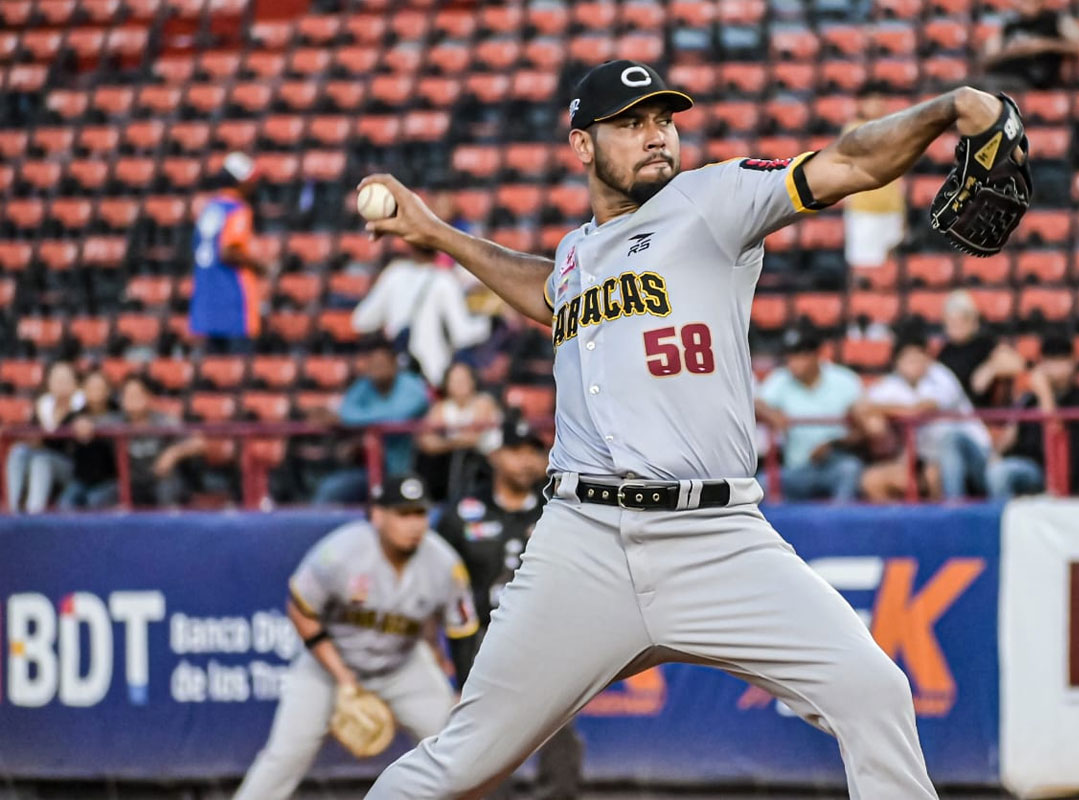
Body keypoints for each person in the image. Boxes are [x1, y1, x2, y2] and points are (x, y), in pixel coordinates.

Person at [359, 60, 1011, 799]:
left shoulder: (713, 201)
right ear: (582, 146)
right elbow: (546, 292)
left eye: (664, 119)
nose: (656, 135)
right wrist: (434, 231)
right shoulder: (578, 255)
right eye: (631, 123)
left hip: (718, 539)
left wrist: (945, 109)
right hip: (585, 542)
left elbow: (851, 162)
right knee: (460, 763)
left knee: (876, 694)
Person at [233, 475, 479, 800]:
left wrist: (462, 688)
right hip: (329, 665)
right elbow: (300, 610)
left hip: (402, 665)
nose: (414, 524)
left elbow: (461, 629)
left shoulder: (444, 564)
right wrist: (343, 677)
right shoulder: (339, 553)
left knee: (457, 750)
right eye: (402, 514)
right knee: (285, 755)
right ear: (377, 515)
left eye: (419, 514)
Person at [437, 417, 583, 800]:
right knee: (486, 731)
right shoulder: (463, 514)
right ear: (495, 455)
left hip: (547, 633)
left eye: (533, 451)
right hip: (485, 636)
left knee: (557, 724)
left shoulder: (563, 506)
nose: (525, 461)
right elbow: (439, 581)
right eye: (515, 451)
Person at [862, 330, 993, 501]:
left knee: (946, 450)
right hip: (924, 458)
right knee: (873, 480)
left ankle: (953, 512)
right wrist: (876, 423)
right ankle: (902, 525)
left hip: (973, 454)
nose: (915, 364)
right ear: (897, 362)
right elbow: (862, 407)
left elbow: (920, 410)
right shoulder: (892, 384)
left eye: (919, 357)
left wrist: (882, 409)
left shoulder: (942, 376)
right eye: (908, 359)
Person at [351, 244, 492, 387]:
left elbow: (361, 321)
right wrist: (490, 322)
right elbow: (462, 335)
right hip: (433, 374)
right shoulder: (444, 279)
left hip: (399, 374)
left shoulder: (394, 273)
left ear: (409, 246)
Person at [313, 339, 430, 505]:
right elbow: (347, 410)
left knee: (404, 506)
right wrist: (355, 420)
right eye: (373, 363)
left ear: (393, 364)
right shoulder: (364, 386)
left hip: (408, 470)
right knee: (330, 489)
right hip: (369, 470)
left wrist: (354, 420)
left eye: (382, 363)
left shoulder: (412, 385)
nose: (377, 368)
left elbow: (399, 415)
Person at [755, 328, 864, 502]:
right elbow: (756, 402)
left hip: (836, 462)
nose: (793, 362)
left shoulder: (844, 380)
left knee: (850, 469)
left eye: (800, 355)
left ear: (816, 355)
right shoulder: (780, 379)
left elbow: (862, 431)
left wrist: (833, 445)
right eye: (790, 356)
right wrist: (771, 414)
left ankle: (839, 526)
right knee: (763, 483)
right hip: (798, 467)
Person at [986, 334, 1079, 499]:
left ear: (1073, 363)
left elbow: (1057, 438)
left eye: (1061, 361)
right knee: (993, 469)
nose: (1055, 369)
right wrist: (994, 456)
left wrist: (1045, 393)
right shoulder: (1029, 399)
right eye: (1050, 362)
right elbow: (1007, 441)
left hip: (1055, 473)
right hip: (1024, 464)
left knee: (1001, 473)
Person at [188, 152, 267, 355]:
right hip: (233, 301)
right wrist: (261, 266)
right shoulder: (238, 209)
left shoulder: (210, 208)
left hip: (207, 300)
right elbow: (228, 251)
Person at [99, 376, 205, 508]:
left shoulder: (163, 421)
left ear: (148, 397)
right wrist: (82, 423)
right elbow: (88, 423)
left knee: (167, 493)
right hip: (131, 483)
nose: (131, 399)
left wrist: (173, 453)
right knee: (99, 498)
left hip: (161, 480)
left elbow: (199, 442)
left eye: (136, 394)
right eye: (127, 395)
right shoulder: (115, 422)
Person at [415, 361, 502, 502]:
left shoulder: (483, 402)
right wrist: (453, 444)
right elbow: (426, 442)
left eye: (463, 379)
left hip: (487, 462)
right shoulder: (441, 407)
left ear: (473, 381)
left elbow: (472, 439)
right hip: (455, 461)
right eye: (454, 380)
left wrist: (444, 443)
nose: (459, 384)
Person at [5, 360, 83, 513]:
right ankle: (12, 508)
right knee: (18, 451)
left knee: (42, 460)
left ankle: (35, 513)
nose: (61, 384)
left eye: (65, 379)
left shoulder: (82, 408)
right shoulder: (43, 406)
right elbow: (33, 436)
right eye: (57, 379)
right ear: (49, 383)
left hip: (72, 467)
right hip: (40, 457)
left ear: (75, 383)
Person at [842, 87, 905, 270]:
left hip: (892, 207)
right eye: (873, 101)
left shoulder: (893, 128)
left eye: (881, 100)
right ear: (862, 104)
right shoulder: (853, 129)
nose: (879, 105)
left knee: (891, 265)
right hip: (865, 209)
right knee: (863, 265)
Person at [980, 0, 1079, 91]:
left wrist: (1044, 45)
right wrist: (1011, 51)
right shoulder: (1010, 25)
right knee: (969, 88)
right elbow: (985, 60)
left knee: (981, 89)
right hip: (1000, 76)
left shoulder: (1055, 20)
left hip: (1031, 80)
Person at [937, 290, 1024, 409]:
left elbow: (1016, 363)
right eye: (951, 321)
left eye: (961, 320)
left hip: (978, 412)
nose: (956, 326)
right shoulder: (944, 352)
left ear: (973, 320)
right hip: (952, 411)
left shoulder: (984, 344)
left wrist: (990, 369)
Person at [59, 371, 120, 510]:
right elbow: (53, 442)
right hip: (81, 479)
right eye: (91, 388)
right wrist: (75, 424)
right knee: (66, 503)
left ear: (108, 391)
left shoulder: (118, 413)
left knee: (94, 500)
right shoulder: (75, 416)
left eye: (100, 388)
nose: (96, 392)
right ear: (84, 390)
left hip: (110, 479)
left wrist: (97, 428)